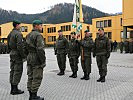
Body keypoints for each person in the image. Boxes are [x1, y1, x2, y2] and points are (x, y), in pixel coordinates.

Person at [26, 20, 46, 100]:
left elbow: (25, 47)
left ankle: (31, 94)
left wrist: (27, 56)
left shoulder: (28, 35)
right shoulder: (38, 35)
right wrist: (43, 61)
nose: (42, 27)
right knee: (37, 77)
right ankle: (34, 96)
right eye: (41, 25)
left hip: (29, 57)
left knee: (30, 76)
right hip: (36, 58)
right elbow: (40, 49)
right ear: (36, 26)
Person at [7, 20, 26, 95]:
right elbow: (20, 46)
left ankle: (12, 88)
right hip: (17, 54)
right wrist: (23, 56)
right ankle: (15, 89)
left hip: (12, 53)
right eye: (20, 25)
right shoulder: (18, 34)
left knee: (12, 70)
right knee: (17, 71)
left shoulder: (10, 33)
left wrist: (11, 51)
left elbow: (8, 44)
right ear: (17, 25)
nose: (20, 26)